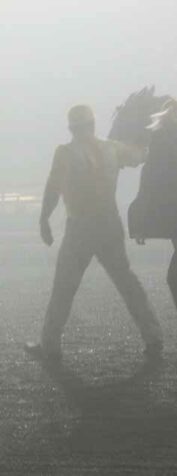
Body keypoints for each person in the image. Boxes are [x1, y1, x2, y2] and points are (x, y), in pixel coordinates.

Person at [25, 105, 163, 364]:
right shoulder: (112, 148)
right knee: (127, 282)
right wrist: (148, 134)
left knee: (64, 287)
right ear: (92, 124)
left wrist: (44, 219)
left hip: (80, 228)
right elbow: (141, 155)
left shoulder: (65, 153)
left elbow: (53, 188)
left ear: (71, 128)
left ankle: (50, 344)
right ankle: (153, 337)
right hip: (110, 225)